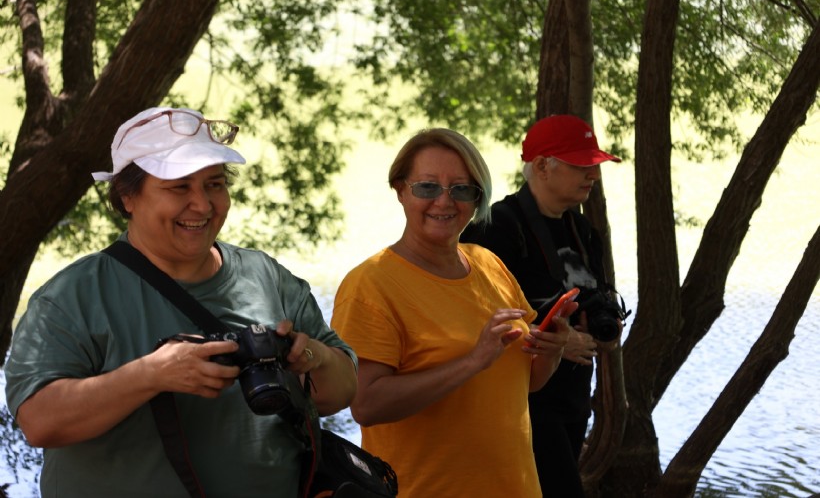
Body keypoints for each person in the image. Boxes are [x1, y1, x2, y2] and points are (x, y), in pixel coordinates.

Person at [4, 107, 358, 497]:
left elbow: (342, 391)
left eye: (215, 184)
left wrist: (311, 359)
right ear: (127, 196)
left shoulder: (266, 276)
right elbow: (39, 421)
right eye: (179, 187)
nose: (203, 205)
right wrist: (151, 375)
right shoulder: (71, 297)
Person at [330, 128, 574, 497]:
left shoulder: (489, 264)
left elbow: (525, 383)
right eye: (427, 187)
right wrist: (472, 361)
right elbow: (365, 404)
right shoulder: (371, 285)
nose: (444, 202)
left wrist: (552, 347)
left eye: (462, 189)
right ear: (400, 189)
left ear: (477, 198)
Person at [461, 114, 625, 497]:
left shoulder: (584, 232)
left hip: (572, 399)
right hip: (520, 403)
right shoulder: (495, 228)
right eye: (580, 165)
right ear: (541, 166)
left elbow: (595, 301)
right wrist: (556, 341)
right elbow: (468, 317)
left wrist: (605, 329)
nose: (592, 175)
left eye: (594, 166)